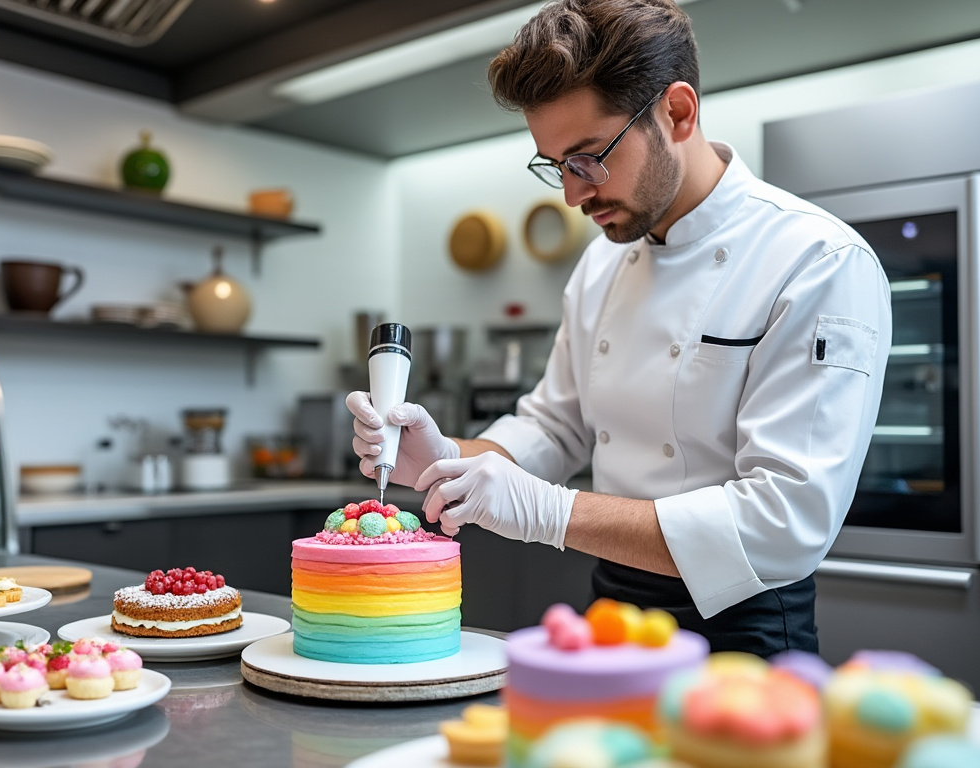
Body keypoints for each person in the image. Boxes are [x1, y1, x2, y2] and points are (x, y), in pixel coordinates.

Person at [346, 0, 891, 657]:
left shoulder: (816, 261)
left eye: (588, 159)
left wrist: (549, 512)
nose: (573, 196)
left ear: (678, 113)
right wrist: (447, 458)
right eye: (555, 166)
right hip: (608, 619)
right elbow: (554, 427)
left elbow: (782, 525)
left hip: (743, 629)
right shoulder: (604, 261)